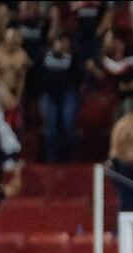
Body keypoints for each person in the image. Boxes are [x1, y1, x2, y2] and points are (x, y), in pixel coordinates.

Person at [39, 35, 82, 164]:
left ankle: (70, 158)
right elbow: (38, 75)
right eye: (59, 42)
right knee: (50, 127)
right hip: (49, 93)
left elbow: (78, 78)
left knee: (68, 124)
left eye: (65, 43)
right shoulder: (44, 56)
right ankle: (52, 160)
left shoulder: (74, 58)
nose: (61, 45)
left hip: (68, 93)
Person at [0, 28, 31, 129]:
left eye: (15, 40)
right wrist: (2, 91)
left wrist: (17, 97)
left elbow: (22, 78)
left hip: (14, 91)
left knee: (16, 124)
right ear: (5, 39)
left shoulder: (22, 55)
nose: (12, 42)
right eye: (10, 39)